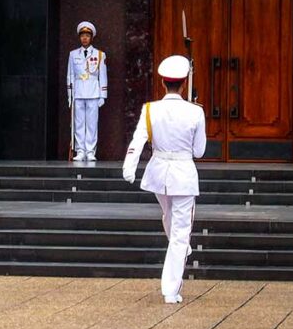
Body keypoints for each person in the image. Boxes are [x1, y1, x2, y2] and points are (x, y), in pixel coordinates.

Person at [122, 55, 206, 304]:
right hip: (182, 172)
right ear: (184, 83)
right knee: (180, 232)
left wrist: (129, 168)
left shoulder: (150, 109)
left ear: (162, 83)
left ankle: (180, 251)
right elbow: (199, 151)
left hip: (158, 172)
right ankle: (171, 288)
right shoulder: (195, 112)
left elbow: (138, 141)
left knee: (169, 217)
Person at [66, 21, 108, 161]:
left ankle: (90, 151)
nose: (84, 38)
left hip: (93, 93)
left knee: (91, 123)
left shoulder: (99, 55)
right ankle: (80, 151)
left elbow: (102, 75)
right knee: (78, 123)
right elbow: (70, 75)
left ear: (91, 38)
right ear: (79, 37)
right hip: (78, 93)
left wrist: (103, 95)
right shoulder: (73, 55)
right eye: (82, 35)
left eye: (87, 35)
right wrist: (70, 95)